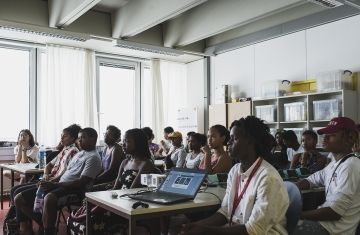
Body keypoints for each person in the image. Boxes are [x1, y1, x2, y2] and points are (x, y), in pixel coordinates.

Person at [181, 116, 289, 235]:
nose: (228, 142)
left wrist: (205, 231)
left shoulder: (268, 178)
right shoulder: (235, 171)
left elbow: (254, 230)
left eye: (234, 138)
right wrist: (197, 225)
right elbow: (225, 212)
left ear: (250, 141)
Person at [14, 127, 102, 235]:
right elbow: (64, 173)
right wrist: (50, 181)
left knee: (49, 197)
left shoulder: (93, 158)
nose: (79, 141)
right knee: (18, 198)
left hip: (75, 190)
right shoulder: (80, 154)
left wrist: (54, 185)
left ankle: (48, 230)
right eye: (79, 138)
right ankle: (41, 222)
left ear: (93, 139)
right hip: (60, 184)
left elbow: (81, 183)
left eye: (83, 138)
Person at [68, 128, 156, 234]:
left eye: (127, 141)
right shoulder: (125, 162)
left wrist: (104, 202)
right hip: (116, 202)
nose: (123, 144)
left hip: (127, 206)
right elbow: (115, 187)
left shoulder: (145, 164)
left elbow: (130, 192)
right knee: (76, 218)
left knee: (89, 224)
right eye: (123, 141)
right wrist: (96, 200)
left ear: (139, 143)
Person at [295, 117, 360, 235]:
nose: (325, 138)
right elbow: (312, 180)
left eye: (332, 134)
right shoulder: (335, 164)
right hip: (323, 225)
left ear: (350, 138)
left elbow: (334, 212)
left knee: (279, 228)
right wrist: (289, 187)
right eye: (326, 134)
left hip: (332, 231)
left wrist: (299, 215)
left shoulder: (351, 166)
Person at [10, 124, 81, 204]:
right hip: (49, 179)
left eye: (65, 136)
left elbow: (65, 174)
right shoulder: (64, 149)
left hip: (55, 183)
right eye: (61, 136)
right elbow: (48, 165)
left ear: (73, 138)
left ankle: (25, 216)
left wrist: (51, 181)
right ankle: (15, 216)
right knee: (14, 190)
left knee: (18, 195)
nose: (61, 138)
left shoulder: (73, 151)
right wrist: (46, 174)